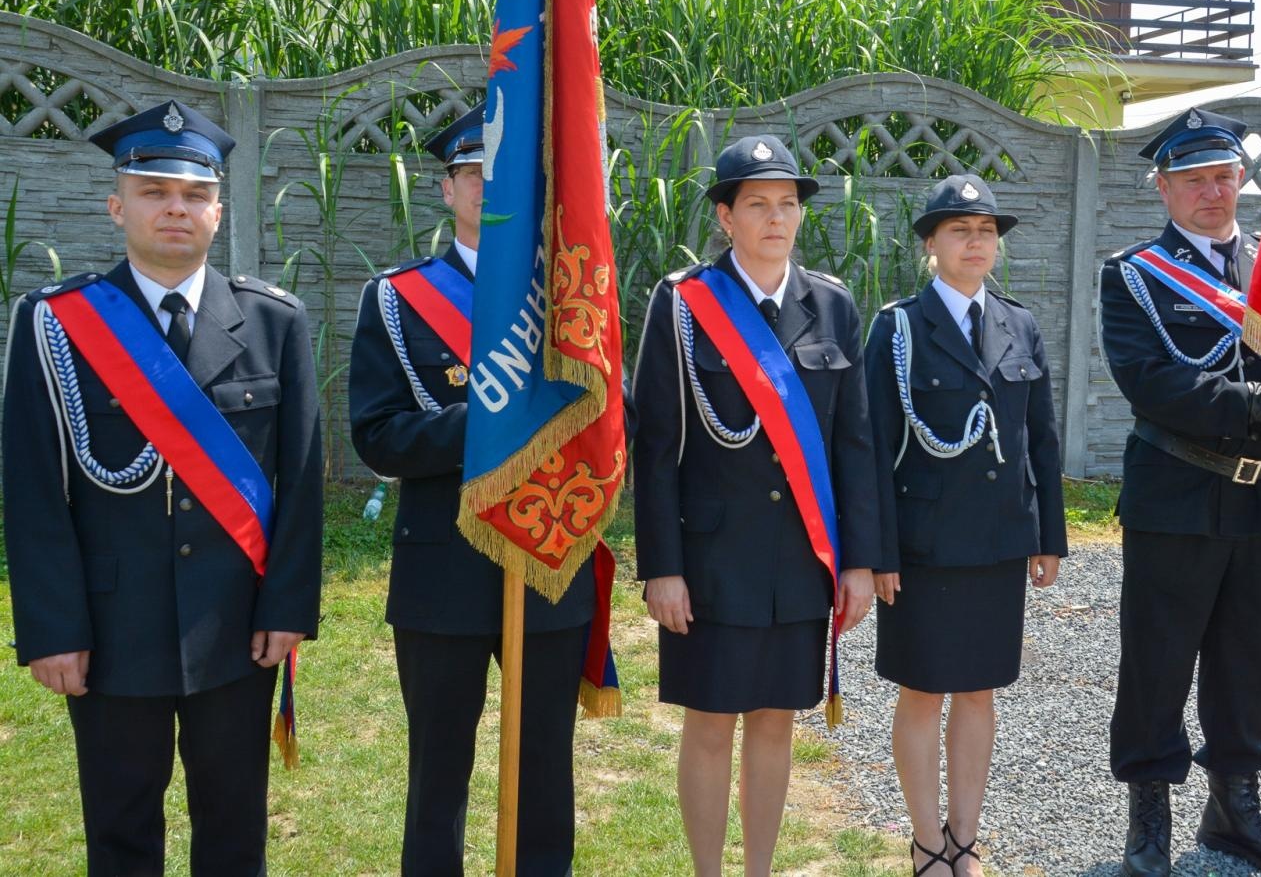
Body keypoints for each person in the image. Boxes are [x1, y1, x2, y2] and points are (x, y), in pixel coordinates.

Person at [2, 99, 324, 876]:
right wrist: (51, 629)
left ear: (218, 210)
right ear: (118, 206)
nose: (174, 208)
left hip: (235, 630)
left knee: (234, 829)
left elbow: (304, 482)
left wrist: (287, 610)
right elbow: (33, 490)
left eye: (192, 195)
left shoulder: (274, 322)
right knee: (119, 832)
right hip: (111, 632)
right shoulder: (55, 324)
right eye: (153, 191)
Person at [348, 105, 596, 876]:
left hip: (550, 556)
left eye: (508, 177)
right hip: (443, 569)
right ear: (447, 189)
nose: (491, 189)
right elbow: (378, 436)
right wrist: (488, 423)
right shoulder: (396, 299)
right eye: (473, 175)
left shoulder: (572, 302)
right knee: (438, 773)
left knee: (546, 769)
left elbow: (607, 420)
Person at [631, 134, 879, 876]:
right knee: (710, 725)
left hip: (801, 560)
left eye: (788, 205)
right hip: (710, 561)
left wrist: (860, 562)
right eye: (758, 205)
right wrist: (661, 568)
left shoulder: (830, 306)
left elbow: (854, 444)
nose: (777, 219)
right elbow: (655, 446)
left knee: (775, 722)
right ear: (725, 216)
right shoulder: (682, 305)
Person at [1098, 109, 1261, 877]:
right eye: (1193, 180)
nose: (1212, 193)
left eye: (1224, 177)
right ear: (1162, 188)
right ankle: (1149, 818)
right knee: (1158, 660)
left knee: (1245, 659)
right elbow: (1154, 383)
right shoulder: (1132, 274)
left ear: (1243, 181)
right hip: (1177, 492)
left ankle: (1234, 808)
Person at [865, 175, 1066, 876]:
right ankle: (925, 842)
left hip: (998, 541)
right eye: (960, 230)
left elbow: (1041, 440)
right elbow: (873, 450)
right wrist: (878, 550)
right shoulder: (896, 328)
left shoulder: (1020, 324)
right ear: (930, 245)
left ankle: (965, 839)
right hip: (923, 548)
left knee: (979, 691)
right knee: (922, 691)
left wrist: (1048, 537)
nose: (976, 241)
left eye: (986, 231)